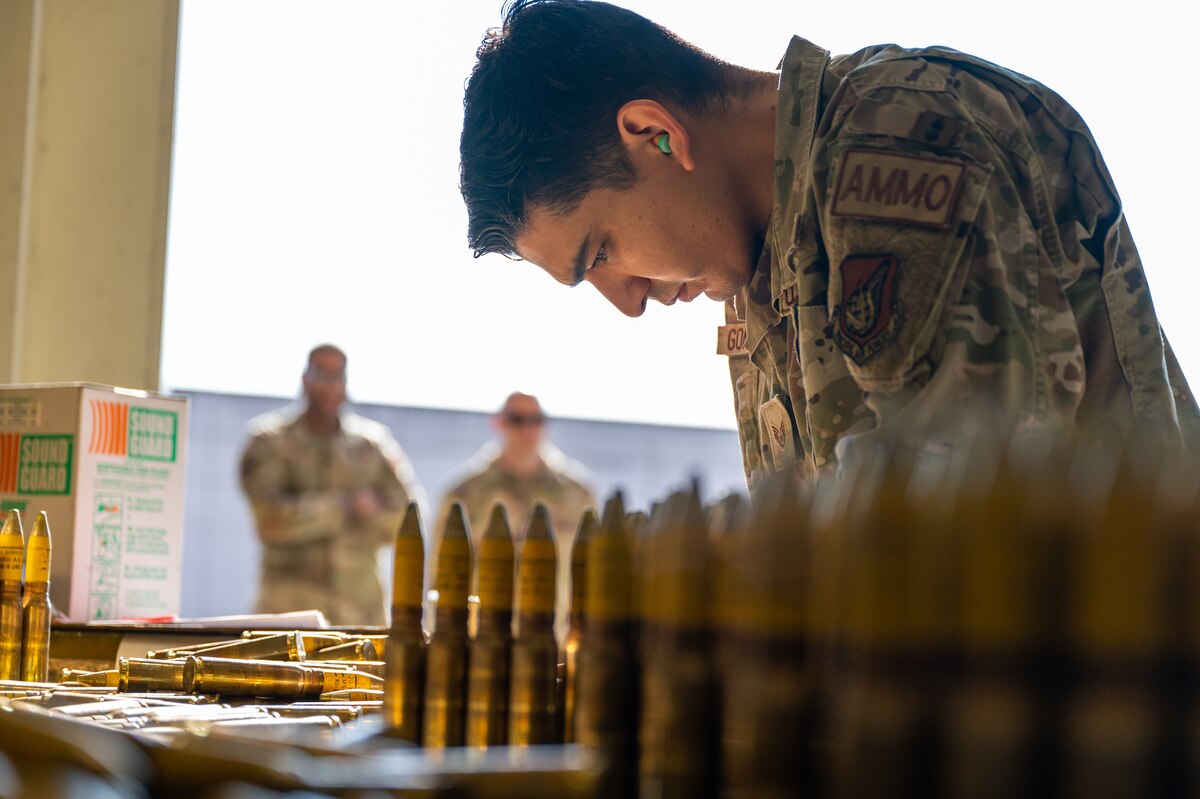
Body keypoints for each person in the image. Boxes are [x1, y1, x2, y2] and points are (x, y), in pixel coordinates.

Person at [458, 0, 1199, 486]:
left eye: (601, 253)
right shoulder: (754, 254)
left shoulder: (891, 139)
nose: (626, 302)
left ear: (655, 134)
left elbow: (937, 549)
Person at [239, 344, 424, 625]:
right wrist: (345, 506)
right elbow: (270, 520)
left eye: (338, 377)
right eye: (321, 375)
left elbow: (409, 519)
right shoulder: (270, 442)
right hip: (289, 615)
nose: (330, 386)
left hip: (360, 615)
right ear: (305, 379)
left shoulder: (372, 445)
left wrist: (371, 513)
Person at [437, 392, 596, 638]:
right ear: (499, 423)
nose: (527, 429)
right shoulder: (465, 492)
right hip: (483, 632)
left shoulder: (577, 493)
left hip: (556, 633)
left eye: (536, 420)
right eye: (517, 420)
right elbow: (441, 571)